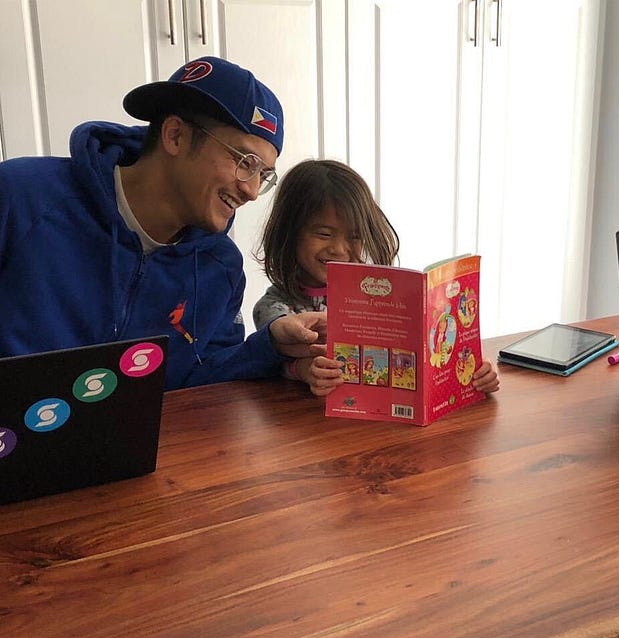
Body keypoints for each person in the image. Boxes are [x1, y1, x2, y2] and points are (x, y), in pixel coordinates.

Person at [0, 56, 327, 390]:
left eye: (263, 174)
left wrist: (270, 345)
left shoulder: (221, 267)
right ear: (175, 136)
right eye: (245, 161)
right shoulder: (22, 197)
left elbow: (204, 384)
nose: (252, 190)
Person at [253, 159, 500, 396]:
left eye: (355, 237)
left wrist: (473, 366)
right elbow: (268, 365)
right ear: (289, 233)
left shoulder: (379, 296)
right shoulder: (274, 309)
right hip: (307, 427)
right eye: (324, 234)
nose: (339, 249)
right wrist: (302, 369)